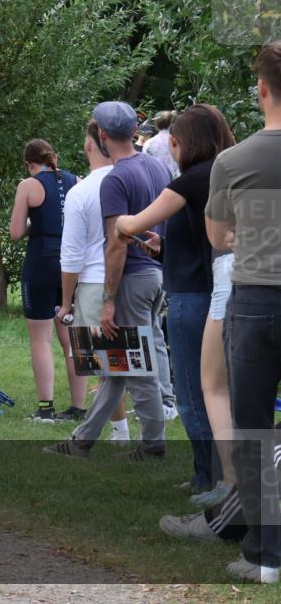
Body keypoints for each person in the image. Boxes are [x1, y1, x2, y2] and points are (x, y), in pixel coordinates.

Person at [115, 104, 237, 502]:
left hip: (192, 300)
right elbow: (209, 243)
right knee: (222, 390)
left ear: (181, 142)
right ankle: (219, 477)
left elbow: (133, 223)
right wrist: (161, 249)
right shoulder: (228, 177)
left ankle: (212, 480)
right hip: (223, 292)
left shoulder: (189, 181)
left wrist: (121, 226)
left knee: (192, 391)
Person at [46, 101, 172, 462]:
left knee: (135, 366)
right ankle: (82, 441)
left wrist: (107, 300)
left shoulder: (116, 178)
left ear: (101, 135)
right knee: (115, 365)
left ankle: (152, 445)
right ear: (134, 130)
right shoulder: (155, 166)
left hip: (130, 279)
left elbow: (116, 244)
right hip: (154, 275)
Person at [204, 41, 281, 584]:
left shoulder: (233, 160)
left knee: (252, 429)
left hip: (254, 300)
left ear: (261, 90)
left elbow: (217, 236)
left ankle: (265, 553)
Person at [9, 139, 86, 423]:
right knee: (73, 338)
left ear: (30, 164)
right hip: (72, 264)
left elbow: (16, 232)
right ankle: (78, 407)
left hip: (42, 262)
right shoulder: (77, 180)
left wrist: (35, 225)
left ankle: (46, 408)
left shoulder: (29, 185)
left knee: (41, 339)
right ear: (54, 157)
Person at [57, 121, 121, 438]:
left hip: (95, 280)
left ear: (89, 145)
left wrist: (66, 301)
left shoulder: (80, 191)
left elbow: (71, 255)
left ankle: (118, 432)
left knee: (106, 365)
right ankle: (135, 433)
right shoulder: (132, 179)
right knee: (127, 363)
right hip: (135, 277)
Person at [144, 111, 178, 177]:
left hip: (156, 180)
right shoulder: (179, 141)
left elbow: (146, 167)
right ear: (170, 123)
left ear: (156, 124)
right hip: (177, 181)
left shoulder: (149, 143)